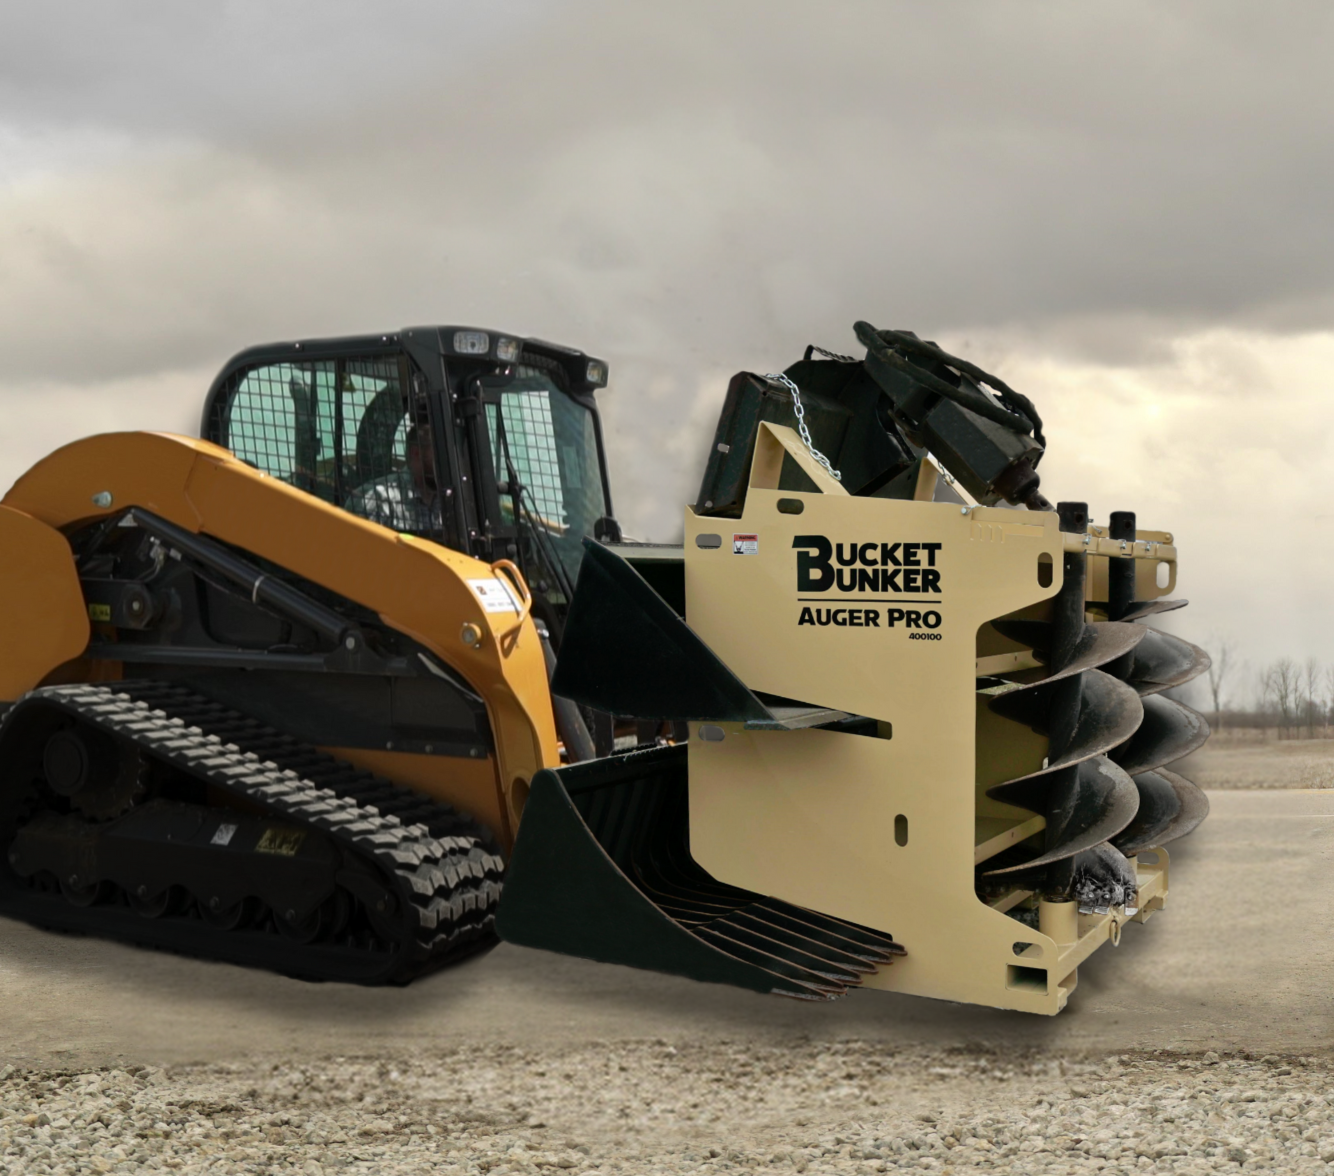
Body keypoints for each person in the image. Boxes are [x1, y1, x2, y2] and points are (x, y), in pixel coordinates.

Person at [346, 421, 443, 533]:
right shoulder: (376, 500)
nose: (448, 462)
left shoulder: (450, 499)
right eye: (440, 453)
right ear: (416, 453)